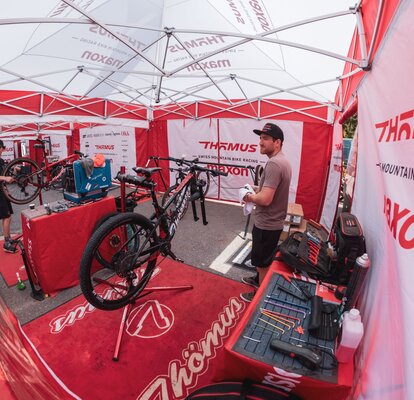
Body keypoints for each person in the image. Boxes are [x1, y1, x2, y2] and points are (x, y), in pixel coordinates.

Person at [240, 123, 292, 302]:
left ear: (277, 142)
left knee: (262, 263)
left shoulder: (274, 164)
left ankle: (259, 297)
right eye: (260, 138)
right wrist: (254, 188)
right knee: (262, 260)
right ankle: (257, 280)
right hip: (272, 223)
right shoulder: (281, 161)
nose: (260, 142)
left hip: (267, 224)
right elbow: (268, 189)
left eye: (265, 138)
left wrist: (248, 196)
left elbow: (265, 199)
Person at [0, 140, 17, 253]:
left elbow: (4, 177)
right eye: (2, 147)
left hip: (3, 191)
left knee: (7, 216)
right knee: (6, 216)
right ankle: (6, 243)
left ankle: (8, 238)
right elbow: (3, 178)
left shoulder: (0, 161)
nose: (3, 150)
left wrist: (14, 172)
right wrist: (5, 178)